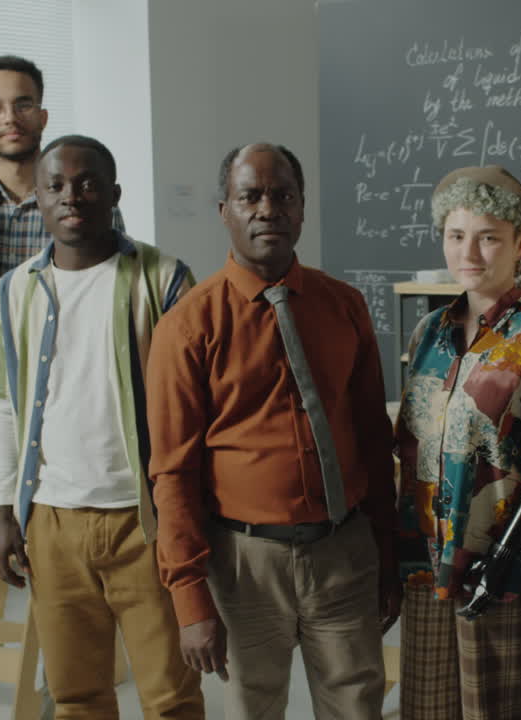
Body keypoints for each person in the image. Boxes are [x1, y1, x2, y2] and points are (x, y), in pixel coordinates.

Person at [147, 142, 398, 719]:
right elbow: (172, 472)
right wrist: (190, 602)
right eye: (250, 196)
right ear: (225, 211)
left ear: (302, 208)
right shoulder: (188, 326)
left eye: (282, 195)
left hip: (343, 552)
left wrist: (388, 556)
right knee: (252, 710)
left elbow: (371, 438)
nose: (268, 209)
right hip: (242, 563)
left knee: (357, 707)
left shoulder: (346, 306)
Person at [0, 55, 123, 720]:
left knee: (76, 621)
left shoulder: (76, 200)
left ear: (43, 111)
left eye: (24, 102)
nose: (12, 117)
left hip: (71, 453)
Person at [0, 135, 202, 719]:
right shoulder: (11, 293)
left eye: (87, 183)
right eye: (55, 186)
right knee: (76, 697)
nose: (71, 196)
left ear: (113, 194)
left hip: (145, 521)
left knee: (171, 697)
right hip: (52, 525)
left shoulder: (167, 280)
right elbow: (3, 406)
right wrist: (2, 513)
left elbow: (199, 403)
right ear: (39, 199)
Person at [393, 165, 521, 720]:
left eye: (488, 237)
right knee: (426, 707)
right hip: (427, 561)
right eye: (457, 236)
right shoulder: (429, 332)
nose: (471, 252)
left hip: (500, 570)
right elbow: (411, 449)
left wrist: (501, 562)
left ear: (519, 243)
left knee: (494, 710)